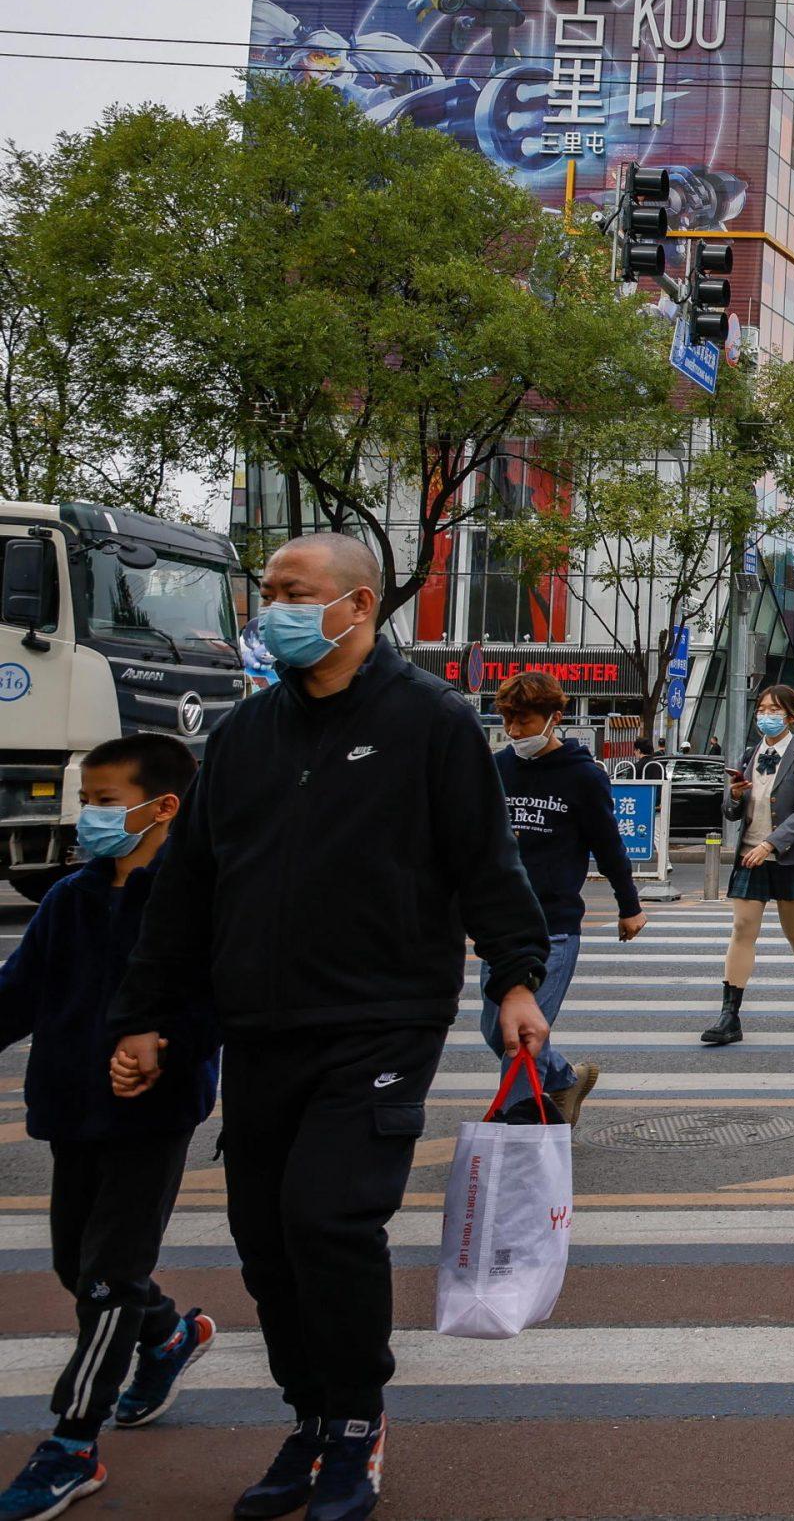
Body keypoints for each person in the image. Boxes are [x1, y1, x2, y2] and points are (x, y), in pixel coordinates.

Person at [107, 532, 553, 1521]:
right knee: (264, 1240)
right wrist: (143, 1017)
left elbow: (488, 863)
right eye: (266, 591)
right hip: (261, 1025)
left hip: (381, 1020)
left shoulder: (430, 723)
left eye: (291, 591)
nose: (270, 606)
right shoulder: (244, 735)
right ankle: (310, 1419)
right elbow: (186, 889)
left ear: (355, 605)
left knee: (328, 1220)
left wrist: (517, 978)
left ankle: (355, 1427)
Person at [0, 736, 218, 1517]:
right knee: (74, 1266)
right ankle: (168, 1335)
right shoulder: (69, 898)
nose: (87, 814)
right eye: (84, 798)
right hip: (69, 1109)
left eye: (101, 799)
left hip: (150, 1117)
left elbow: (216, 1004)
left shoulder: (194, 900)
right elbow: (17, 995)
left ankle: (72, 1442)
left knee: (108, 1278)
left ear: (162, 807)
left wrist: (167, 1045)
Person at [489, 670, 645, 1125]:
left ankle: (519, 1130)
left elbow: (608, 844)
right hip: (501, 925)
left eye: (525, 721)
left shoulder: (583, 776)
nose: (516, 732)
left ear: (555, 718)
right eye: (510, 721)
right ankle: (562, 1080)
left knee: (519, 1037)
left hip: (553, 925)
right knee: (495, 1029)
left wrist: (629, 905)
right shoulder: (498, 768)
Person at [700, 686, 794, 1046]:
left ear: (791, 716)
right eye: (761, 708)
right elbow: (731, 813)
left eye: (774, 709)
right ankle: (730, 1016)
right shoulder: (749, 754)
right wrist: (735, 795)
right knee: (743, 928)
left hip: (789, 855)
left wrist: (770, 844)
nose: (766, 715)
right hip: (750, 855)